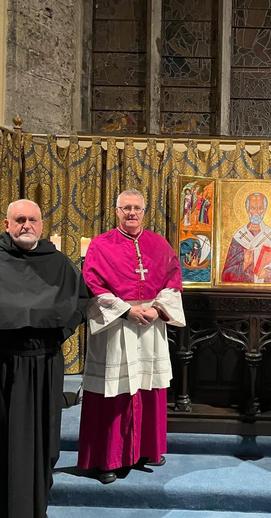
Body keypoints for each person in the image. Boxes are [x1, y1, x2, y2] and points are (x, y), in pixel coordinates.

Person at [0, 199, 89, 518]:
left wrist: (51, 331)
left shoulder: (59, 263)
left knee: (36, 445)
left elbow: (79, 304)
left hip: (40, 367)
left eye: (33, 219)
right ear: (7, 225)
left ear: (41, 224)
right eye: (19, 219)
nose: (27, 225)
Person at [78, 189, 185, 484]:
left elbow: (174, 279)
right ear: (116, 211)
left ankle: (147, 449)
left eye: (137, 208)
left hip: (150, 325)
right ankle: (108, 459)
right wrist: (126, 311)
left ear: (144, 211)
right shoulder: (101, 245)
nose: (131, 213)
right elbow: (92, 285)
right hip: (117, 328)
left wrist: (157, 308)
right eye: (126, 208)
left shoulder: (159, 244)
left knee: (149, 387)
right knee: (114, 392)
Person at [221, 192, 271, 283]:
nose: (256, 212)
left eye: (260, 208)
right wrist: (244, 264)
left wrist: (268, 269)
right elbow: (225, 276)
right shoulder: (239, 237)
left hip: (267, 291)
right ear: (247, 209)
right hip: (241, 291)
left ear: (264, 210)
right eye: (252, 208)